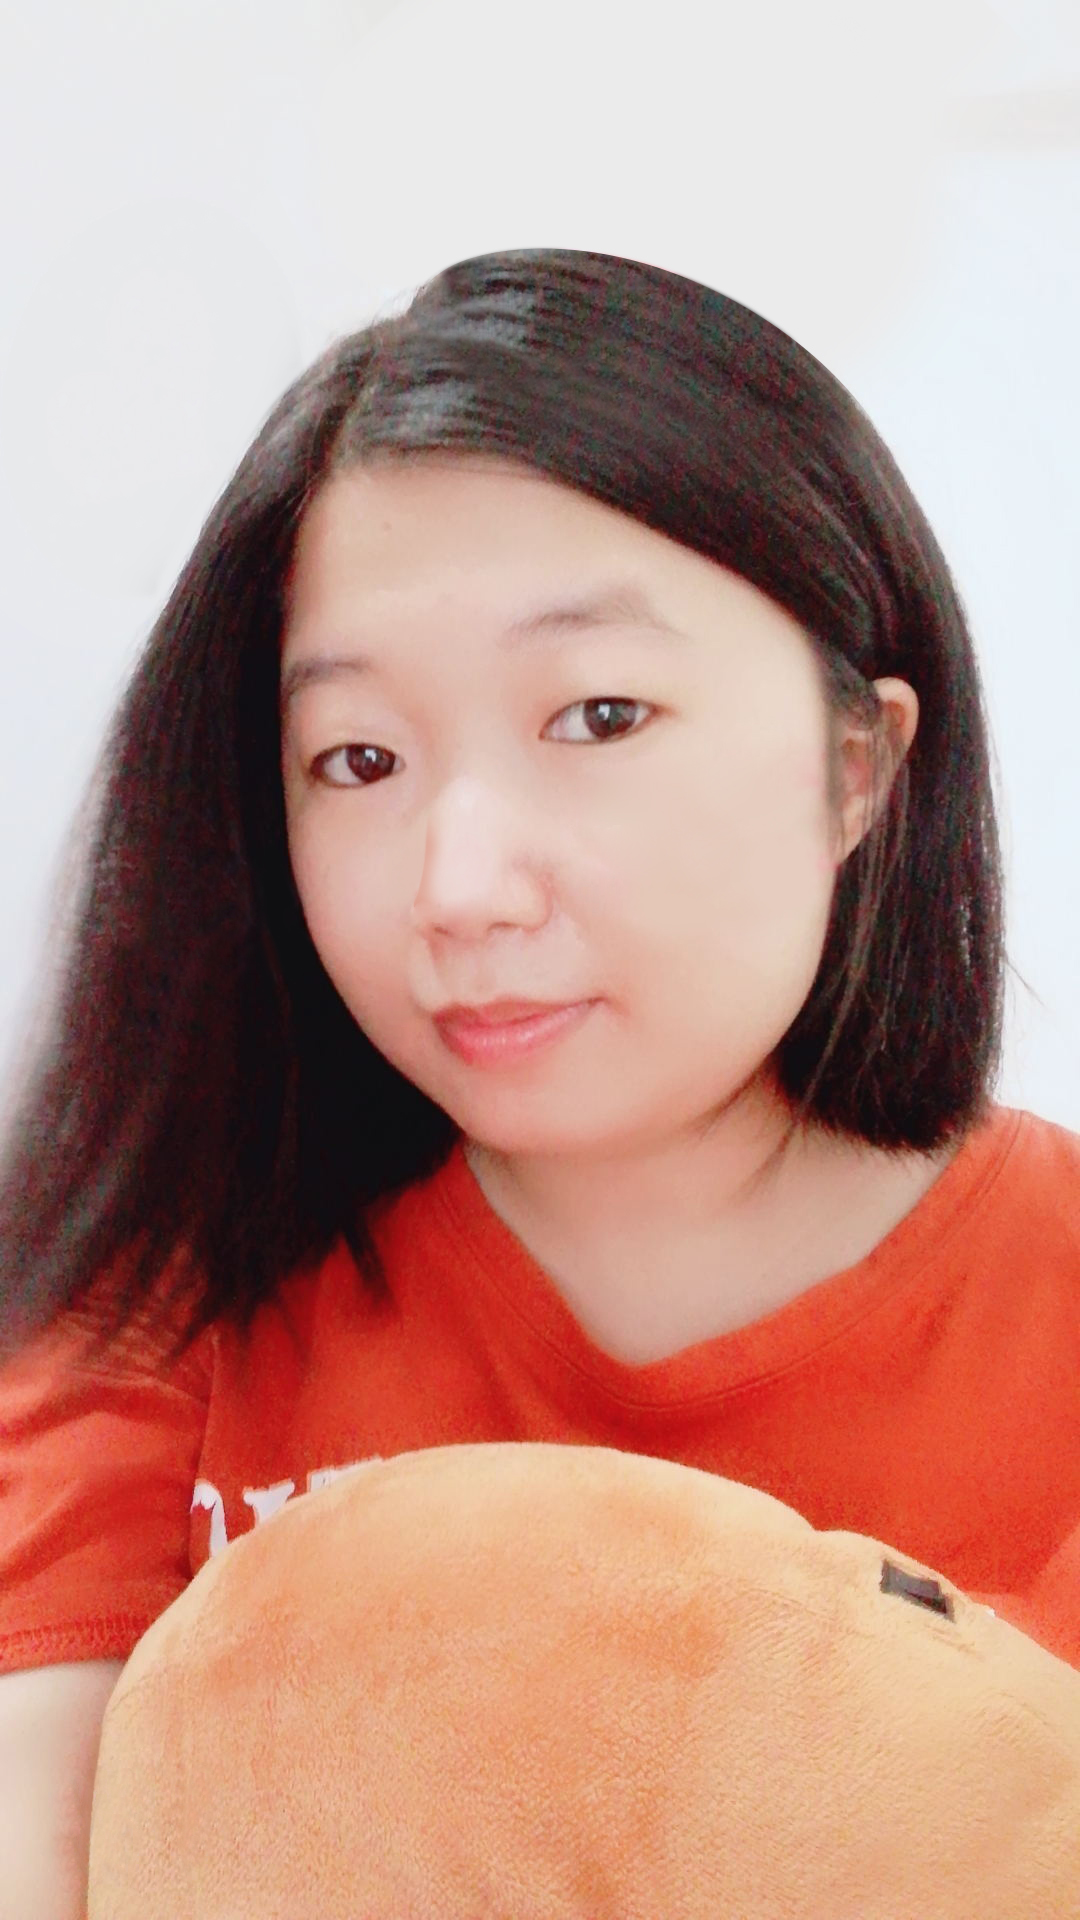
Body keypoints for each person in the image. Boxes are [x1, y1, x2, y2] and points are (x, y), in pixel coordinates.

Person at [1, 248, 1078, 1915]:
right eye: (360, 758)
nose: (462, 886)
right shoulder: (158, 1318)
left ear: (857, 761)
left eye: (598, 715)